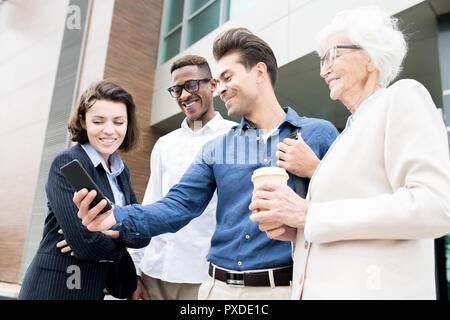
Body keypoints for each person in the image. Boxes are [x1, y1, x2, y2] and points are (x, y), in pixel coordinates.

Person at [74, 28, 339, 300]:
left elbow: (351, 205)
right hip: (216, 289)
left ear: (259, 72)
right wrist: (116, 216)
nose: (221, 88)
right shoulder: (216, 148)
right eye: (218, 80)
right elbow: (177, 206)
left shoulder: (319, 134)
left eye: (227, 77)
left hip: (283, 289)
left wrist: (317, 169)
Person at [249, 6, 450, 299]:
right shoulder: (346, 135)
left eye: (333, 56)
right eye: (321, 61)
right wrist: (297, 230)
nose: (323, 70)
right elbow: (345, 221)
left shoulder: (402, 97)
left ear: (370, 57)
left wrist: (308, 214)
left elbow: (435, 206)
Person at [19, 81, 149, 300]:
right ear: (83, 121)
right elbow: (86, 245)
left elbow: (143, 234)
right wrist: (122, 237)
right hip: (54, 289)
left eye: (118, 121)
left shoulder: (121, 171)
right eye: (98, 121)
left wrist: (110, 233)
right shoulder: (69, 163)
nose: (109, 130)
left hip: (90, 289)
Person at [128, 55, 236, 300]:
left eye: (192, 85)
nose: (184, 95)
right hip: (154, 273)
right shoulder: (165, 144)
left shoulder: (235, 137)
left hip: (202, 277)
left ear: (213, 85)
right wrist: (134, 270)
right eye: (177, 89)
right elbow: (151, 204)